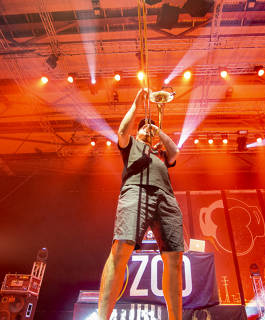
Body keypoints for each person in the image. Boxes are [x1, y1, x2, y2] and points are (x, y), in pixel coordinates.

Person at [97, 88, 184, 320]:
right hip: (135, 191)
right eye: (144, 125)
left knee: (174, 257)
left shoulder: (161, 152)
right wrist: (136, 103)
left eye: (150, 125)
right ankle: (102, 317)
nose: (148, 126)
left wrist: (158, 131)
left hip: (166, 197)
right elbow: (122, 130)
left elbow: (176, 152)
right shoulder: (131, 144)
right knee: (121, 249)